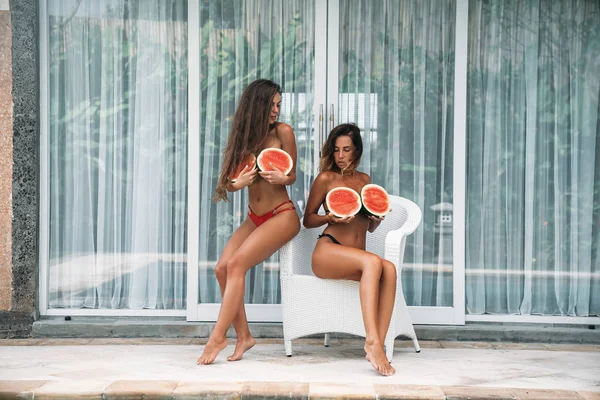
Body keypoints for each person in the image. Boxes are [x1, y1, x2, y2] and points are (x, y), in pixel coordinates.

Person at [198, 79, 301, 365]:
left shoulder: (283, 132)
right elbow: (229, 184)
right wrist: (236, 183)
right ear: (257, 105)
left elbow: (293, 175)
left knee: (236, 264)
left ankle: (218, 336)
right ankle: (244, 336)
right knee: (221, 269)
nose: (276, 110)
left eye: (279, 105)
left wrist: (284, 178)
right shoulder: (244, 137)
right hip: (255, 218)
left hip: (283, 215)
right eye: (272, 104)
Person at [302, 123, 396, 376]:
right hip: (328, 251)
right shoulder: (325, 179)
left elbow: (370, 228)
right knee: (375, 263)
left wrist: (377, 217)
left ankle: (379, 346)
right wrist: (329, 217)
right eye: (336, 150)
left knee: (390, 269)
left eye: (346, 150)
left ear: (357, 151)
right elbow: (308, 219)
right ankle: (372, 341)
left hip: (356, 259)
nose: (341, 156)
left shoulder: (365, 181)